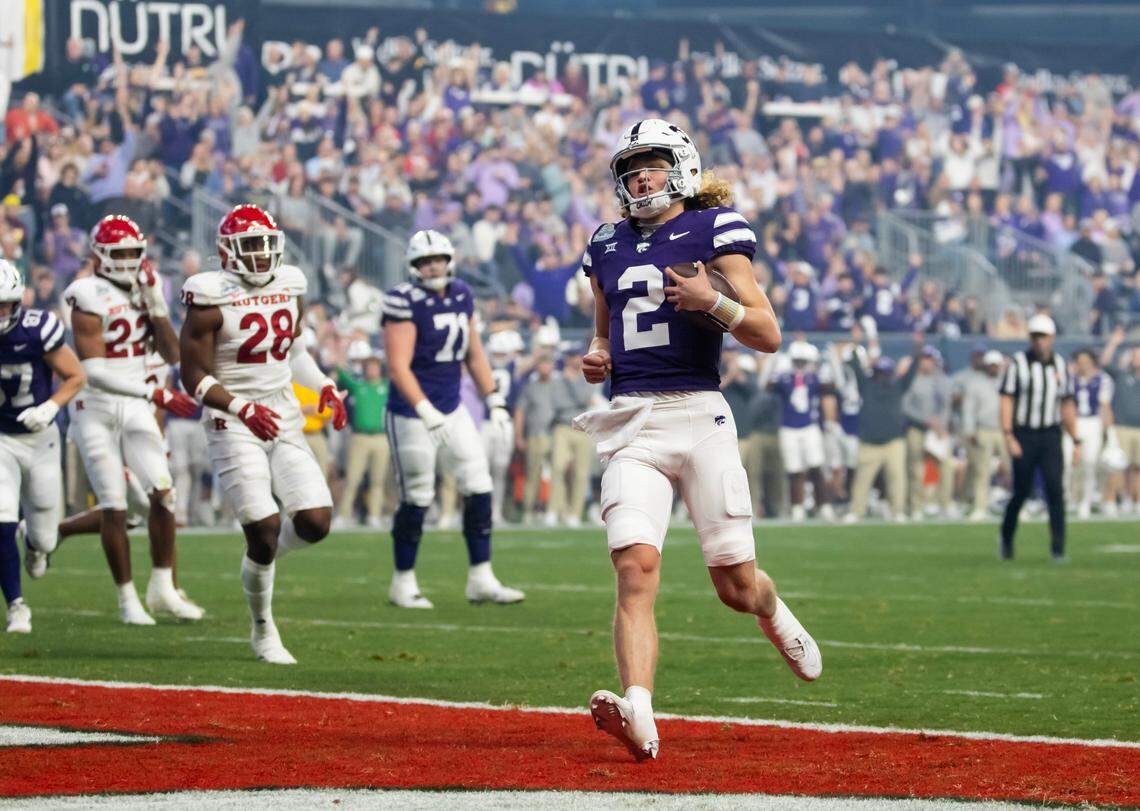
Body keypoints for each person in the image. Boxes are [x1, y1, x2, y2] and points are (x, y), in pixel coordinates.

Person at [574, 118, 821, 762]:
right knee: (634, 566)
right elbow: (603, 329)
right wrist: (598, 354)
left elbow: (767, 334)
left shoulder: (716, 228)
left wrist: (713, 301)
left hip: (700, 415)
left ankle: (772, 611)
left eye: (650, 165)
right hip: (631, 420)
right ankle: (640, 710)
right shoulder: (605, 242)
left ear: (680, 166)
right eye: (630, 169)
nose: (638, 178)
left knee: (735, 586)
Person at [179, 203, 349, 664]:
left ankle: (262, 556)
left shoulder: (290, 283)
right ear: (226, 252)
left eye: (265, 244)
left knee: (315, 522)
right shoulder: (209, 296)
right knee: (265, 525)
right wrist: (240, 406)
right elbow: (192, 375)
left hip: (282, 414)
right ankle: (263, 629)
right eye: (250, 245)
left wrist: (325, 385)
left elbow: (293, 351)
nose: (259, 254)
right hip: (231, 418)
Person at [63, 216, 203, 624]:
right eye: (118, 253)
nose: (126, 261)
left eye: (131, 252)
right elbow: (94, 368)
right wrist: (155, 392)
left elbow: (174, 354)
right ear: (98, 256)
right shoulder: (85, 292)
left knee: (164, 493)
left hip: (138, 403)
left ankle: (162, 588)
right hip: (98, 405)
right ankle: (126, 598)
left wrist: (157, 306)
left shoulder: (148, 285)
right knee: (115, 504)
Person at [381, 229, 523, 609]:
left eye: (437, 260)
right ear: (414, 267)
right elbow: (397, 365)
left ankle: (481, 578)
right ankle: (403, 582)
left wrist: (492, 398)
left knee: (478, 484)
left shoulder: (461, 293)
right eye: (425, 262)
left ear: (449, 260)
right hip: (411, 412)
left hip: (452, 406)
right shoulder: (403, 300)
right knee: (418, 494)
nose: (432, 267)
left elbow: (473, 353)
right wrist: (424, 409)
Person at [0, 260, 86, 632]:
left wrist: (50, 406)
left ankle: (36, 546)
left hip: (40, 440)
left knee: (45, 536)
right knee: (1, 521)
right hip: (1, 438)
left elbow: (75, 376)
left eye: (3, 305)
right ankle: (16, 605)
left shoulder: (38, 329)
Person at [999, 314, 1080, 561]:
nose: (1039, 341)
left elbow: (1067, 404)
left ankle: (1058, 548)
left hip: (1050, 434)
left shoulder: (1060, 365)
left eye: (1043, 336)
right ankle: (1007, 539)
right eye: (1034, 336)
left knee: (1055, 490)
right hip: (1024, 433)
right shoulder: (1017, 364)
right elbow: (1006, 400)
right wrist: (1009, 435)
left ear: (1052, 338)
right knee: (1021, 491)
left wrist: (1076, 439)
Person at [844, 339, 922, 522]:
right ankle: (856, 511)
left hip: (894, 441)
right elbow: (856, 367)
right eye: (880, 373)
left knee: (897, 479)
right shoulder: (866, 385)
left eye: (885, 373)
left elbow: (911, 371)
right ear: (875, 373)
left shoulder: (898, 386)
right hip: (869, 442)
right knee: (862, 481)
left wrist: (917, 349)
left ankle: (898, 511)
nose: (883, 377)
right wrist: (856, 344)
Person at [766, 340, 834, 521]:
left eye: (803, 361)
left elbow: (832, 387)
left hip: (809, 426)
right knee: (794, 469)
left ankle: (824, 505)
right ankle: (797, 506)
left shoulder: (814, 378)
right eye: (798, 361)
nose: (800, 365)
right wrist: (772, 365)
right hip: (789, 428)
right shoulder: (784, 378)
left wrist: (831, 364)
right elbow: (767, 386)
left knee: (816, 466)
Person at [336, 354, 390, 528]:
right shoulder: (359, 386)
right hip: (359, 437)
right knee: (352, 478)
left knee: (378, 480)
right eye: (369, 367)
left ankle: (374, 514)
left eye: (374, 367)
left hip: (381, 437)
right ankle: (344, 514)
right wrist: (338, 361)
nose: (372, 370)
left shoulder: (386, 387)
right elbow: (344, 377)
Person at [958, 350, 1006, 520]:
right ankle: (980, 506)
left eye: (996, 365)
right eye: (991, 365)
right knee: (982, 470)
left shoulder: (1007, 381)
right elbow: (968, 409)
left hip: (1004, 429)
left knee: (1012, 470)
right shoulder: (975, 383)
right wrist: (970, 430)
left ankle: (1018, 506)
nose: (993, 368)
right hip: (984, 429)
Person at [1067, 348, 1113, 519]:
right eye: (1080, 361)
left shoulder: (1103, 379)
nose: (1083, 365)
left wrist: (1109, 432)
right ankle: (1069, 498)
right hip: (1074, 421)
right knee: (1068, 463)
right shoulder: (1070, 379)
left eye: (1086, 361)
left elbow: (1104, 407)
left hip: (1092, 422)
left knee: (1090, 463)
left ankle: (1085, 502)